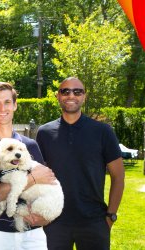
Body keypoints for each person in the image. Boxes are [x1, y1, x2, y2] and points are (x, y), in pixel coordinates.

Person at [36, 77, 125, 250]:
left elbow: (118, 176)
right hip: (54, 221)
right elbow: (36, 176)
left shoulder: (102, 131)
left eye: (77, 91)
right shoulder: (44, 133)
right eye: (65, 91)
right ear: (58, 96)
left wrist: (110, 216)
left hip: (94, 221)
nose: (71, 95)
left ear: (84, 96)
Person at [0, 82, 57, 250]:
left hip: (32, 233)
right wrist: (31, 179)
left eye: (7, 102)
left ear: (14, 105)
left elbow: (47, 185)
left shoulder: (30, 146)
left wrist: (45, 218)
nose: (2, 108)